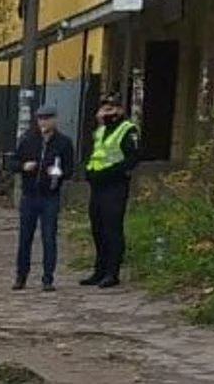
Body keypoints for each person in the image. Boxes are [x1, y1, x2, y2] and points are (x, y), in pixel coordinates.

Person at [80, 92, 140, 289]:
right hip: (97, 187)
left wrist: (107, 173)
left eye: (111, 109)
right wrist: (88, 171)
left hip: (115, 186)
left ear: (120, 110)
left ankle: (112, 273)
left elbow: (131, 160)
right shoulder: (100, 131)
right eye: (104, 109)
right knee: (97, 229)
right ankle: (99, 270)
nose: (107, 113)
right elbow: (95, 154)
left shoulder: (127, 129)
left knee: (112, 229)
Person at [12, 105, 74, 292]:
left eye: (47, 118)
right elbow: (14, 162)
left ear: (55, 120)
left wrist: (59, 173)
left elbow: (70, 170)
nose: (43, 122)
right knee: (25, 238)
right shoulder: (28, 140)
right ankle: (21, 276)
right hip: (30, 195)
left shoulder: (63, 142)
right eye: (40, 118)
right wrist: (24, 166)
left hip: (50, 196)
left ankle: (48, 278)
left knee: (49, 237)